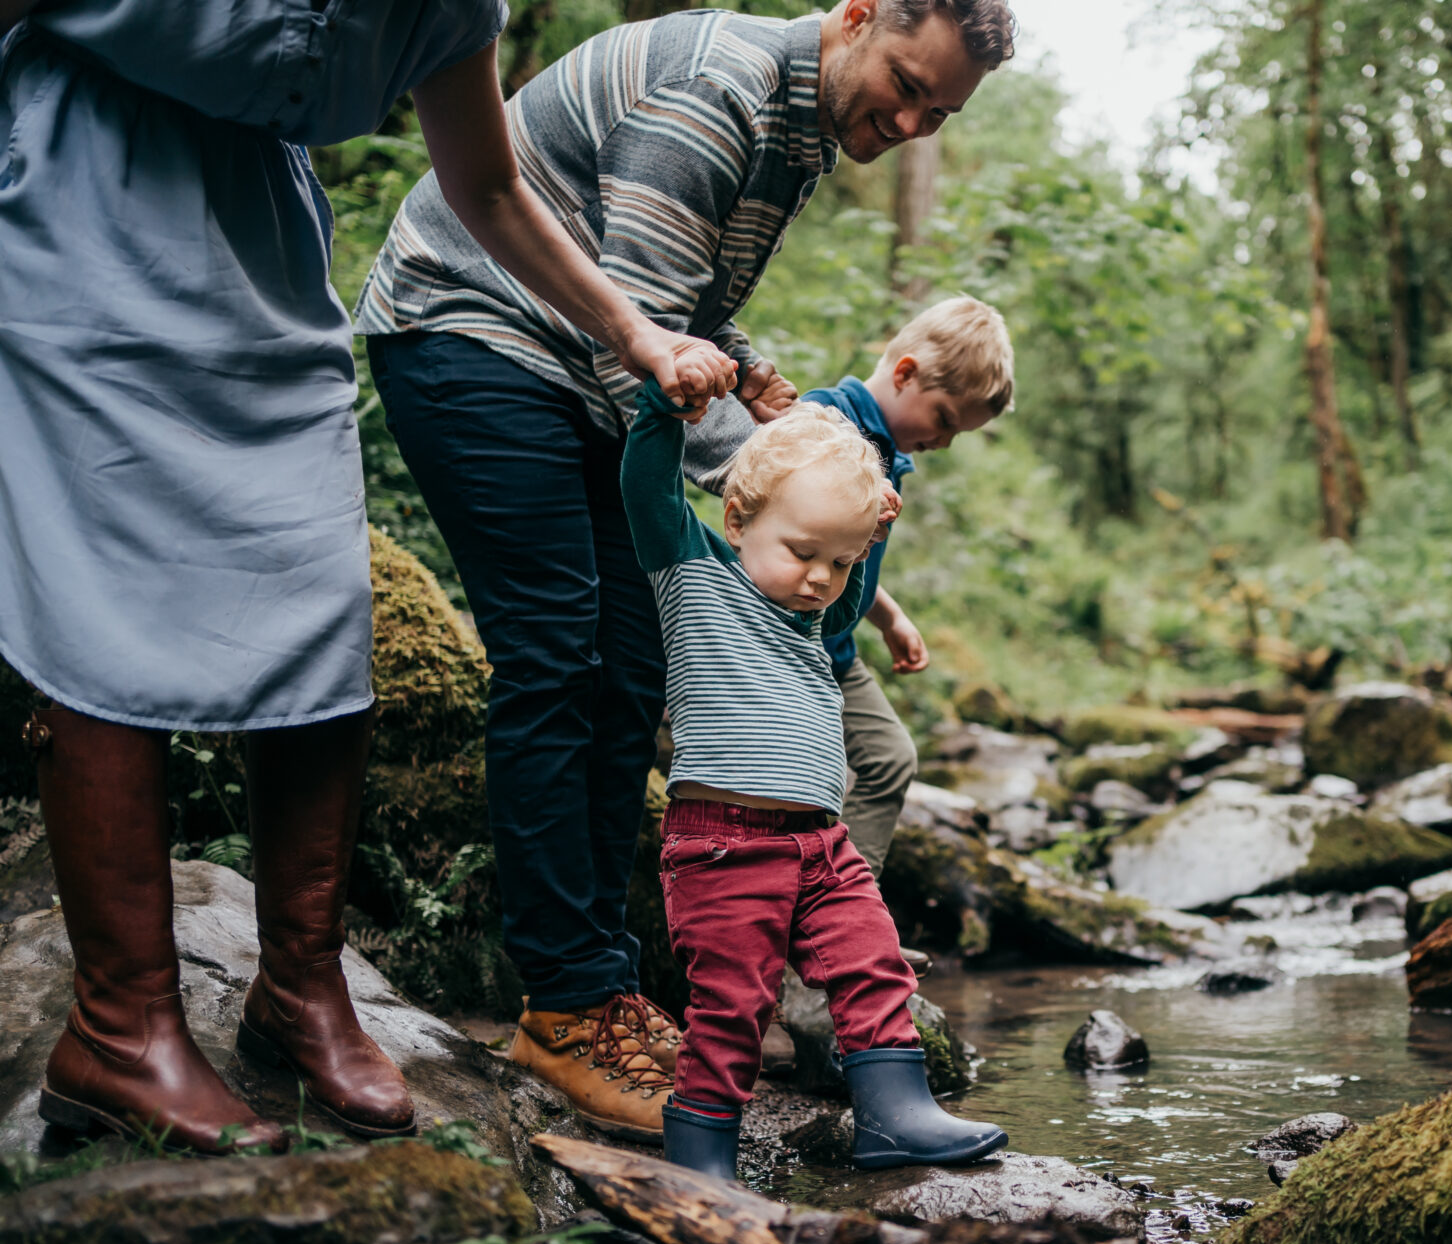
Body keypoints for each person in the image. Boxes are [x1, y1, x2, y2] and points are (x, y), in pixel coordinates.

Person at [0, 0, 732, 1155]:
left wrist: (631, 334)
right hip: (76, 209)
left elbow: (487, 188)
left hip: (263, 253)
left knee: (321, 605)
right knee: (102, 610)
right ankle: (119, 1027)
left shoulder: (454, 8)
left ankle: (298, 988)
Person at [358, 0, 1015, 1143]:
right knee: (558, 649)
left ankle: (600, 989)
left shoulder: (804, 127)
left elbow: (690, 307)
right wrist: (797, 475)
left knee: (629, 661)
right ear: (856, 16)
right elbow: (650, 344)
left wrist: (749, 370)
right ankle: (564, 1001)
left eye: (937, 112)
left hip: (586, 360)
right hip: (475, 330)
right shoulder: (716, 91)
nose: (910, 119)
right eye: (906, 82)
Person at [619, 392, 1007, 1182]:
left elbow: (852, 596)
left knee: (875, 960)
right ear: (736, 521)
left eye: (840, 560)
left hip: (822, 845)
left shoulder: (815, 616)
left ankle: (894, 1115)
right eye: (804, 553)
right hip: (725, 844)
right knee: (732, 1009)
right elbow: (646, 491)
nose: (820, 578)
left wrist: (874, 538)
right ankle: (701, 1159)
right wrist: (662, 408)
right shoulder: (694, 577)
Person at [803, 297, 1013, 875]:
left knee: (890, 759)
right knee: (804, 780)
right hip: (785, 649)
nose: (945, 442)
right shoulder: (823, 423)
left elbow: (848, 561)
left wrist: (889, 617)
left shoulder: (889, 454)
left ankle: (843, 917)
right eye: (945, 419)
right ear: (905, 373)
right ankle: (807, 927)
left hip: (834, 653)